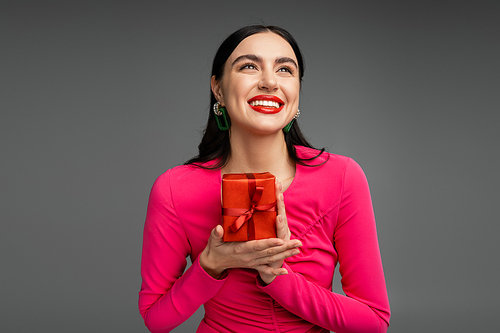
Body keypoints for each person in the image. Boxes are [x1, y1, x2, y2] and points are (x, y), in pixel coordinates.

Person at [139, 25, 390, 333]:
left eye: (285, 69)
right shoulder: (175, 189)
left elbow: (373, 322)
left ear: (297, 91)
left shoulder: (341, 178)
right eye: (249, 66)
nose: (270, 81)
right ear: (217, 88)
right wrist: (211, 264)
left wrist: (276, 276)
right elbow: (156, 318)